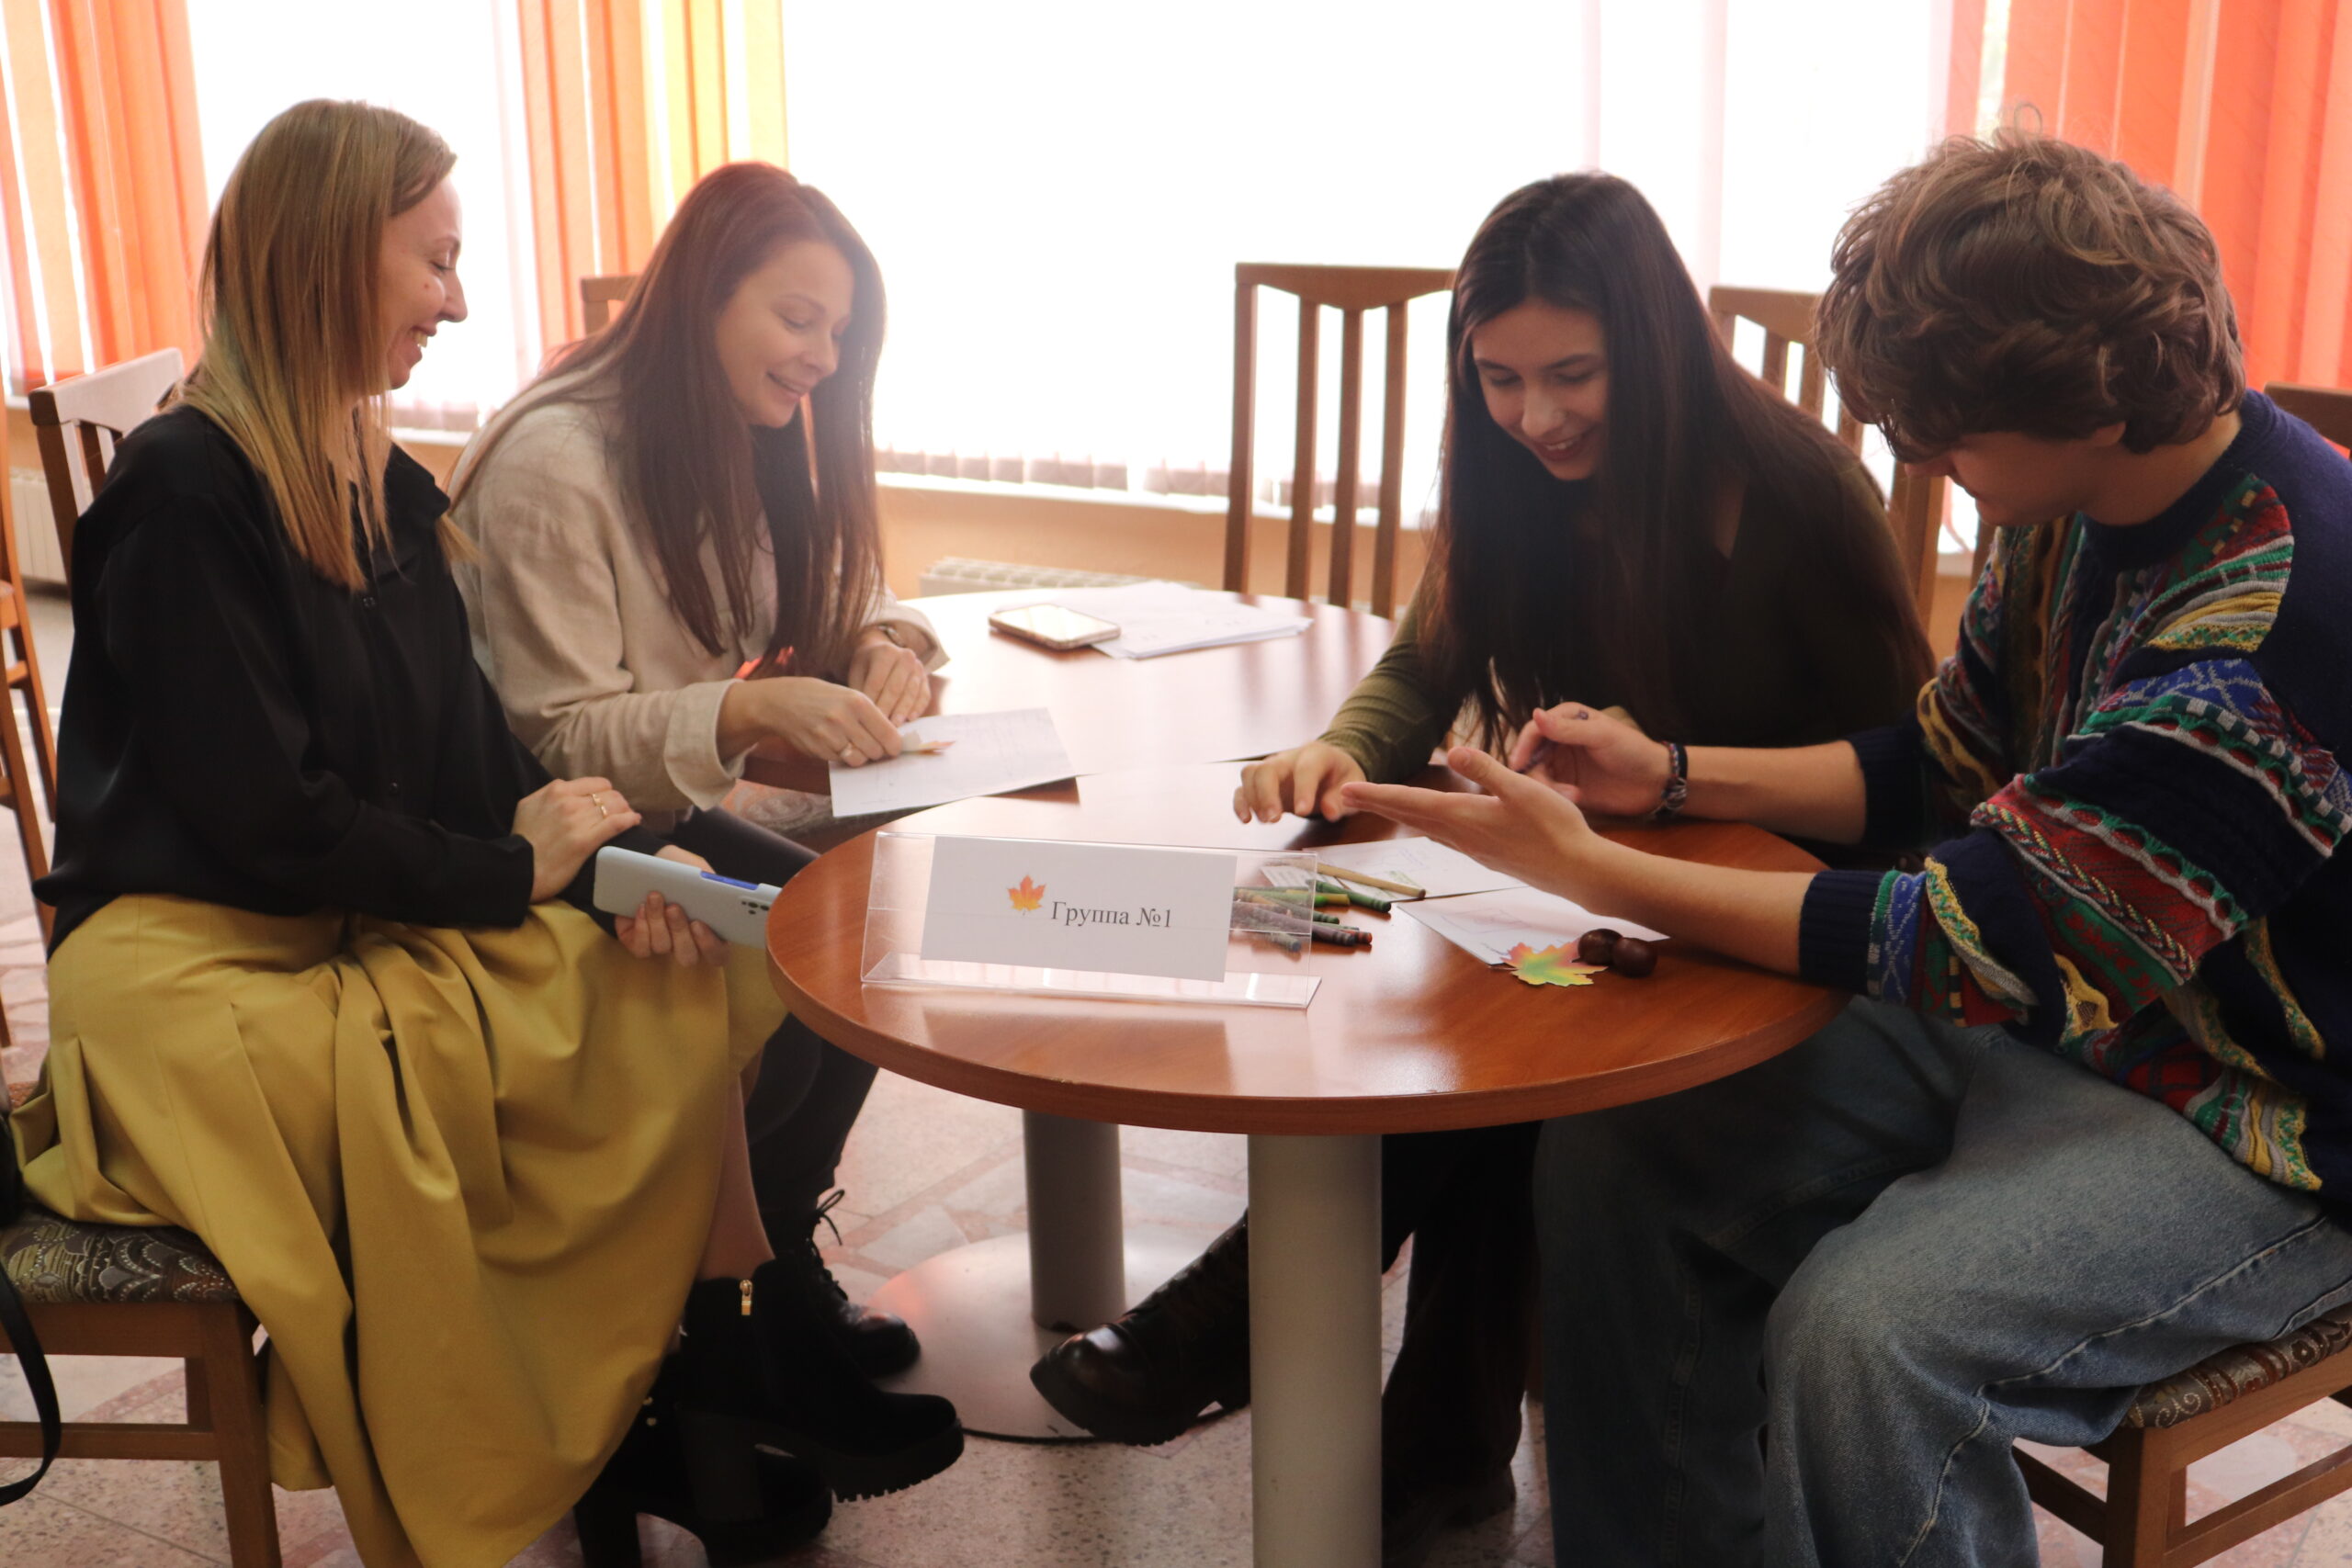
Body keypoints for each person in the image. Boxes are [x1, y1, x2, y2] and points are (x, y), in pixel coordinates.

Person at [1341, 131, 2352, 1567]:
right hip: (2091, 1034)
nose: (1920, 460)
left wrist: (1591, 867)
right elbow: (1943, 760)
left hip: (2278, 1128)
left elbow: (1977, 940)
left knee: (1868, 1333)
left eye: (1947, 436)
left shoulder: (2270, 622)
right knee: (1619, 1135)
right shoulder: (2074, 507)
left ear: (2086, 399)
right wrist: (1668, 775)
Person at [6, 102, 956, 1568]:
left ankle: (705, 1356)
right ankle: (676, 1381)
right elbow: (274, 823)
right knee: (595, 1031)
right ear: (330, 254)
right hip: (195, 983)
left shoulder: (378, 483)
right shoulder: (182, 494)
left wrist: (620, 878)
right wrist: (521, 873)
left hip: (339, 915)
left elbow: (464, 754)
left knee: (681, 961)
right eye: (435, 262)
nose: (458, 304)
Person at [1026, 172, 1933, 1565]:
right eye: (1500, 380)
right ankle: (1412, 1439)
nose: (1537, 416)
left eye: (1573, 375)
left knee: (1512, 1089)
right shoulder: (1515, 476)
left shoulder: (1798, 495)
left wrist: (1671, 779)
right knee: (1454, 1025)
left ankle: (1316, 1375)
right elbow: (1426, 657)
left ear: (1654, 344)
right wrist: (1340, 749)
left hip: (1777, 918)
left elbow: (1908, 769)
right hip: (1603, 883)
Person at [447, 162, 943, 1379]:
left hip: (649, 803)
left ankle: (771, 1272)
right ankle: (728, 1317)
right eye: (798, 318)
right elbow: (555, 737)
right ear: (705, 296)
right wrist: (744, 705)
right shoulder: (558, 459)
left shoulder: (741, 430)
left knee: (856, 942)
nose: (822, 356)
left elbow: (844, 588)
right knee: (807, 970)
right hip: (539, 832)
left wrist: (886, 641)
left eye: (839, 332)